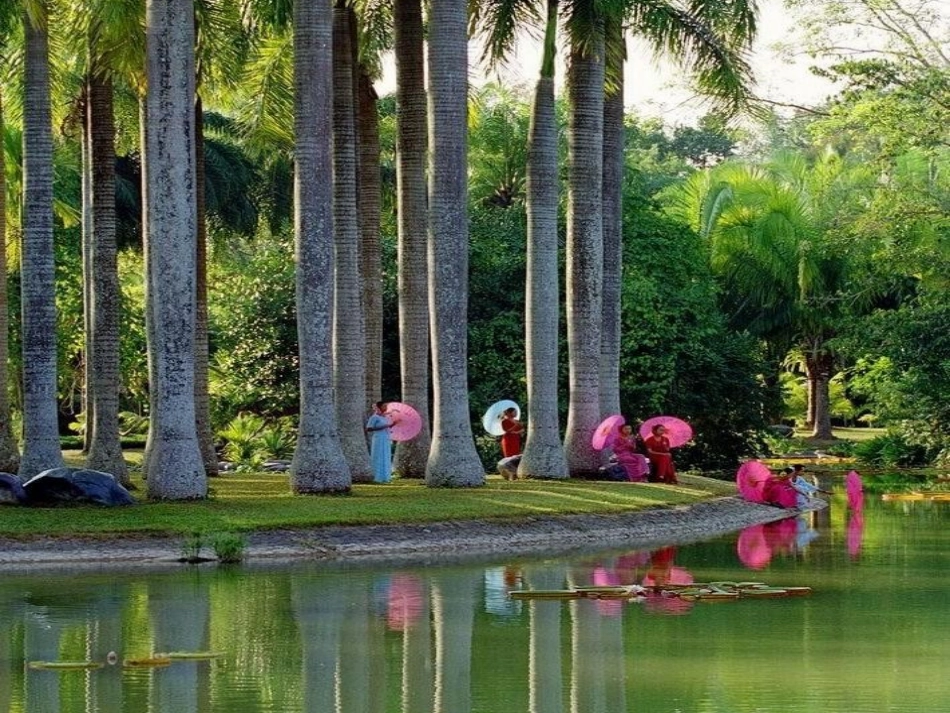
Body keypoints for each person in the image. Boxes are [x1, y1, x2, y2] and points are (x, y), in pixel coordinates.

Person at [366, 401, 394, 483]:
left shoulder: (385, 417)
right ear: (379, 407)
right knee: (378, 456)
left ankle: (386, 477)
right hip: (378, 438)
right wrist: (383, 427)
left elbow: (387, 427)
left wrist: (393, 424)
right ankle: (377, 477)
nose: (386, 407)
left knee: (386, 455)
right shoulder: (374, 417)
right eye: (384, 406)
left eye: (386, 406)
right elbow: (368, 428)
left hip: (385, 438)